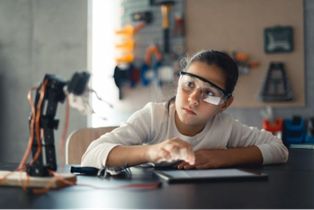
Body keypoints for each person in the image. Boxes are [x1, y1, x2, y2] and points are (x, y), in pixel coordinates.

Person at [81, 49, 288, 170]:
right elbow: (91, 155)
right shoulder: (154, 116)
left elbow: (279, 149)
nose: (194, 99)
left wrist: (221, 157)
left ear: (225, 104)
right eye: (189, 85)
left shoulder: (225, 127)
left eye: (209, 93)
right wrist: (151, 152)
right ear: (179, 82)